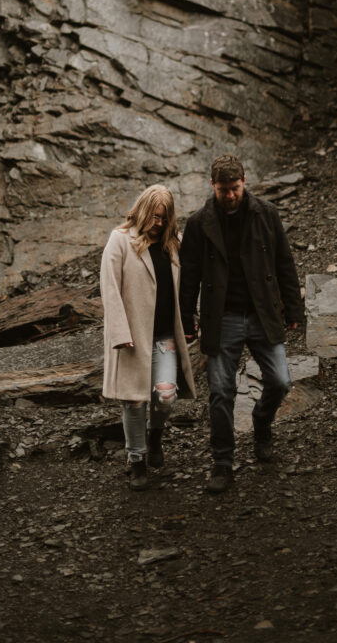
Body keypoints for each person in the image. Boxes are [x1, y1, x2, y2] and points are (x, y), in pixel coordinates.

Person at [180, 154, 303, 493]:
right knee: (220, 392)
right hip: (223, 318)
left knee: (280, 381)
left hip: (263, 314)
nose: (230, 195)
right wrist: (186, 320)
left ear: (244, 182)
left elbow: (284, 263)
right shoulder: (197, 224)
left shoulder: (266, 214)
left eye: (234, 188)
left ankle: (261, 425)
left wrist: (294, 310)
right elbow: (188, 277)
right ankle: (222, 463)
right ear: (212, 186)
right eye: (223, 190)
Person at [100, 184, 196, 491]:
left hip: (165, 335)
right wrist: (119, 333)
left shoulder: (174, 244)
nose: (158, 223)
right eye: (154, 217)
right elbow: (110, 289)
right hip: (133, 337)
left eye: (164, 219)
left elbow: (187, 286)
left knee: (165, 397)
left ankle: (155, 436)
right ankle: (136, 460)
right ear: (143, 212)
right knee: (134, 402)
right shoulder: (120, 241)